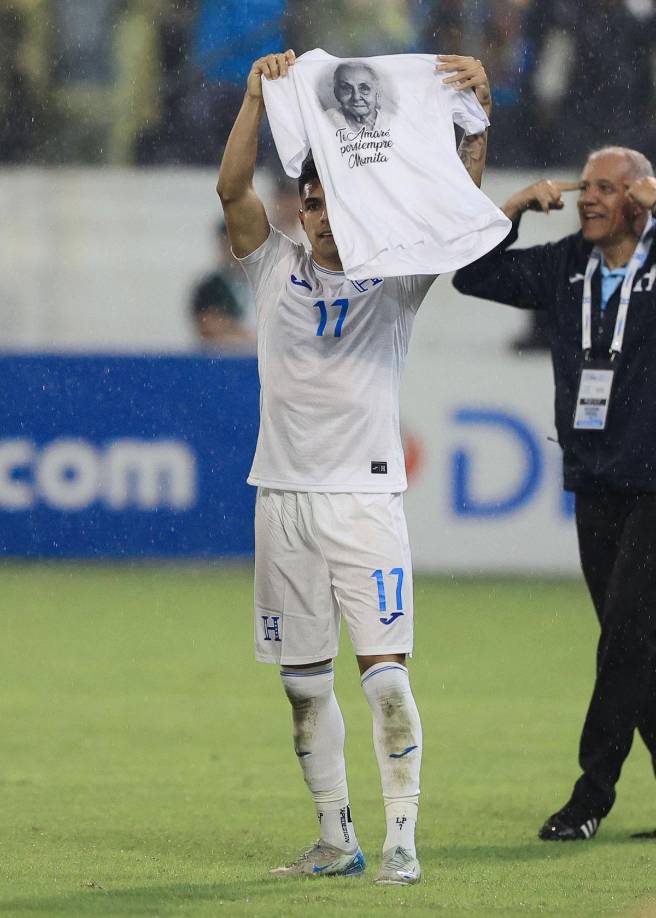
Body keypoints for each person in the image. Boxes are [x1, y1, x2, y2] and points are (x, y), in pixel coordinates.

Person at [217, 49, 492, 882]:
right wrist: (253, 98)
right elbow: (232, 190)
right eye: (310, 200)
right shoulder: (273, 269)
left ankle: (402, 839)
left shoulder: (397, 281)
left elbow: (457, 204)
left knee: (383, 681)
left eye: (333, 198)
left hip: (366, 500)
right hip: (281, 499)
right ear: (301, 210)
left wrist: (476, 116)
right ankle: (337, 838)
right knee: (304, 688)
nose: (322, 213)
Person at [452, 146, 656, 841]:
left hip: (655, 481)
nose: (586, 197)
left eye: (605, 188)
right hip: (595, 476)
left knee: (627, 636)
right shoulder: (568, 263)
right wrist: (509, 210)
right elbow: (474, 274)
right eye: (584, 186)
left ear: (639, 195)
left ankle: (590, 796)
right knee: (631, 644)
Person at [189, 221, 255, 352]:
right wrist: (247, 336)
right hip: (225, 360)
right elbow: (209, 328)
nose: (233, 249)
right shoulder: (209, 287)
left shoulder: (265, 279)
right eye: (227, 243)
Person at [325, 61, 388, 131]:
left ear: (378, 91)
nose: (356, 97)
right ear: (336, 92)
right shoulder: (325, 120)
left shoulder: (394, 122)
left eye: (364, 88)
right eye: (347, 88)